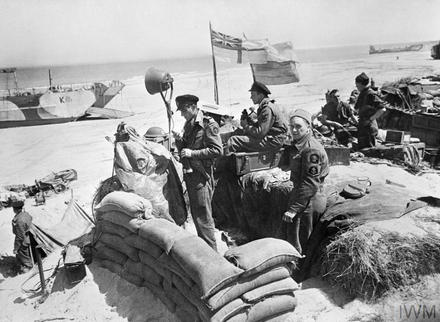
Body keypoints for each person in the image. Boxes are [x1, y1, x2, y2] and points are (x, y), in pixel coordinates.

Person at [173, 94, 222, 250]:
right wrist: (179, 141)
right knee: (197, 215)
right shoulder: (189, 124)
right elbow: (186, 148)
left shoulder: (208, 124)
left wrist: (192, 154)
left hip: (202, 175)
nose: (181, 114)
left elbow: (217, 150)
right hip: (192, 175)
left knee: (203, 216)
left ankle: (212, 254)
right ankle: (206, 250)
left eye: (183, 110)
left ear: (192, 107)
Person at [282, 109, 329, 257]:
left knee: (300, 242)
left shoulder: (311, 149)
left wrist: (294, 208)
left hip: (309, 201)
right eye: (292, 126)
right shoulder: (300, 144)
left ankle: (298, 275)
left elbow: (310, 182)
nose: (294, 130)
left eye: (298, 126)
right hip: (303, 196)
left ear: (308, 127)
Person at [226, 81, 288, 153]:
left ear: (260, 95)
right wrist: (250, 122)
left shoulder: (267, 109)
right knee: (238, 132)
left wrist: (246, 126)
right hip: (272, 139)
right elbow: (262, 126)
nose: (251, 97)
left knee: (233, 141)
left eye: (253, 94)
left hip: (273, 142)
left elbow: (260, 133)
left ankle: (224, 164)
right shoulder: (265, 106)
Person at [353, 72, 387, 150]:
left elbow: (382, 109)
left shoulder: (370, 94)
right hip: (363, 126)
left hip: (369, 128)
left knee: (369, 150)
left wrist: (370, 119)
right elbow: (357, 108)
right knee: (363, 149)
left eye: (357, 85)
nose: (356, 87)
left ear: (362, 84)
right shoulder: (363, 93)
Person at [11, 199, 33, 273]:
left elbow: (20, 236)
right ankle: (20, 264)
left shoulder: (19, 220)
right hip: (29, 236)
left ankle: (28, 267)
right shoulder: (25, 214)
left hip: (24, 239)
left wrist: (16, 248)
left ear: (15, 209)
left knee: (22, 252)